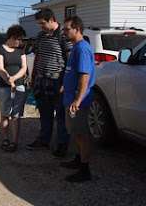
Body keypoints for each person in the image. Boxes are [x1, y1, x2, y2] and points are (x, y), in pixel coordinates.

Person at [27, 8, 71, 157]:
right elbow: (37, 56)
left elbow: (70, 60)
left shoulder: (63, 36)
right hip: (41, 80)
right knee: (44, 113)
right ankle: (44, 140)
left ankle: (62, 144)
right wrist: (33, 77)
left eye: (43, 23)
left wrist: (65, 82)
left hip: (57, 81)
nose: (41, 26)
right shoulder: (41, 36)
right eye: (39, 24)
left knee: (60, 115)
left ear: (52, 20)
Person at [60, 16, 95, 182]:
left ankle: (85, 169)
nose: (64, 32)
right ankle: (78, 159)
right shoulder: (75, 47)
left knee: (81, 134)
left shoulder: (82, 49)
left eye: (67, 29)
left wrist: (78, 100)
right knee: (75, 132)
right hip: (70, 97)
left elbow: (84, 77)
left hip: (77, 101)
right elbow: (72, 72)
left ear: (77, 29)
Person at [0, 25, 28, 152]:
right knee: (5, 114)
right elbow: (0, 69)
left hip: (19, 86)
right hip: (3, 87)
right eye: (19, 39)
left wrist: (13, 79)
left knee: (16, 115)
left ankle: (14, 142)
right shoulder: (0, 50)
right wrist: (8, 80)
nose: (21, 42)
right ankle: (5, 139)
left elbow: (24, 68)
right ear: (12, 37)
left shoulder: (21, 51)